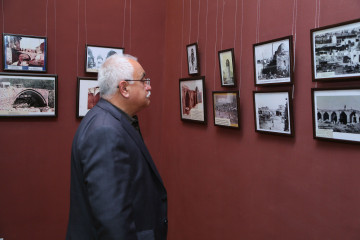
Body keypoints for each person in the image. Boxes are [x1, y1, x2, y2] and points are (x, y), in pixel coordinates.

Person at [66, 54, 168, 240]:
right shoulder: (105, 131)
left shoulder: (110, 121)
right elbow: (112, 218)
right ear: (124, 88)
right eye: (144, 80)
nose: (149, 86)